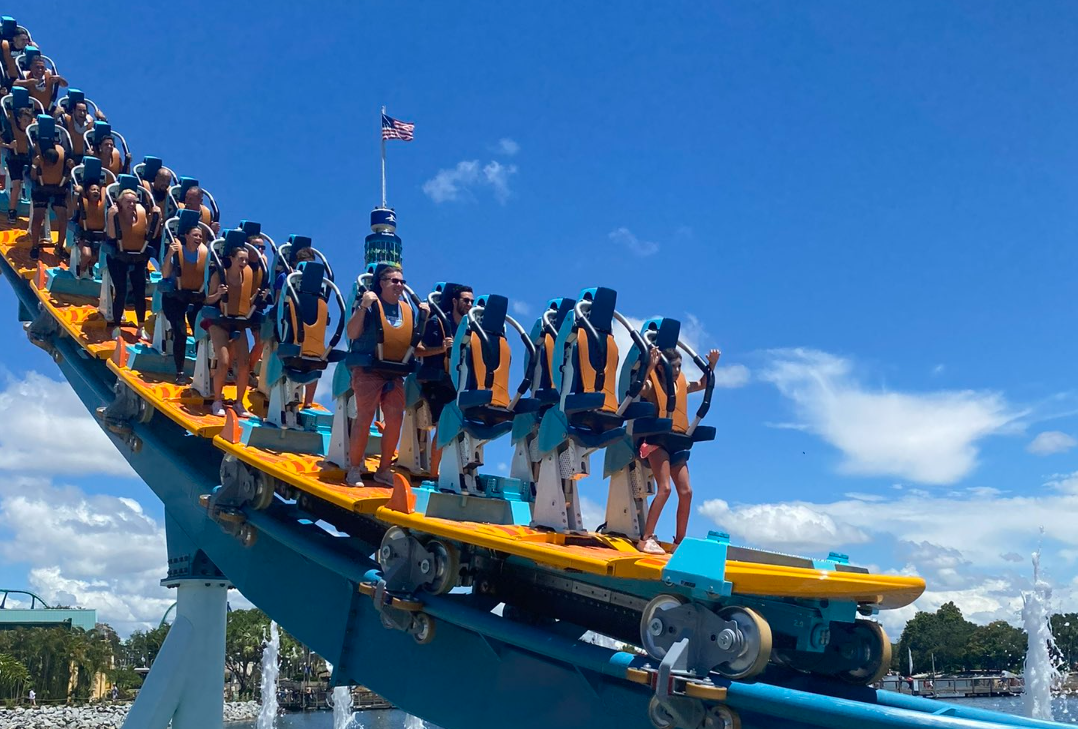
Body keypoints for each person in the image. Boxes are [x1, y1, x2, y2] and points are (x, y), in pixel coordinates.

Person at [344, 263, 429, 486]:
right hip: (369, 369)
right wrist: (363, 306)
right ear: (382, 283)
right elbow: (352, 333)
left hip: (393, 372)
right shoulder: (371, 305)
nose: (399, 285)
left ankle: (383, 469)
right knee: (365, 416)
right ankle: (353, 468)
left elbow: (413, 345)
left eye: (402, 282)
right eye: (395, 281)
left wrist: (425, 321)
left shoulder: (406, 310)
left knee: (395, 419)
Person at [636, 345, 721, 555]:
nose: (677, 370)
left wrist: (711, 365)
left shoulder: (681, 383)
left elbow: (702, 384)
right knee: (665, 489)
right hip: (656, 441)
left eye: (679, 367)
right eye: (673, 367)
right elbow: (639, 389)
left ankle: (679, 542)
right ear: (663, 368)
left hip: (677, 440)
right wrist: (649, 366)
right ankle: (646, 538)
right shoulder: (652, 383)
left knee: (687, 491)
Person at [417, 284, 472, 473]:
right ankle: (434, 473)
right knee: (444, 425)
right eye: (466, 300)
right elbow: (417, 350)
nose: (470, 304)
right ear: (455, 301)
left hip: (458, 384)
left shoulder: (469, 328)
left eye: (472, 301)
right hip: (437, 382)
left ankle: (459, 472)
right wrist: (441, 349)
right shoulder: (438, 323)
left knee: (467, 427)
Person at [203, 239, 261, 417]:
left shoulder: (248, 276)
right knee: (224, 361)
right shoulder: (220, 275)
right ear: (232, 258)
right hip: (219, 321)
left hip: (238, 321)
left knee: (244, 364)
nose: (244, 263)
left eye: (245, 260)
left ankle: (238, 403)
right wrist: (218, 294)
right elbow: (208, 300)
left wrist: (259, 296)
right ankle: (217, 400)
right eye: (240, 259)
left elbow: (246, 301)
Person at [104, 189, 160, 339]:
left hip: (137, 257)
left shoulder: (141, 215)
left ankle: (141, 326)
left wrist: (157, 217)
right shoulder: (115, 215)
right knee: (121, 291)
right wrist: (110, 216)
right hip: (118, 257)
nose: (131, 204)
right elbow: (112, 235)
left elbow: (151, 235)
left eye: (134, 202)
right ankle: (116, 326)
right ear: (120, 203)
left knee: (139, 293)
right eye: (128, 202)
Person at [159, 222, 208, 383]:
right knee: (181, 333)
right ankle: (179, 372)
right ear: (186, 236)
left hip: (193, 298)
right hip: (174, 297)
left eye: (200, 236)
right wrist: (169, 254)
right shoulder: (177, 251)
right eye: (195, 235)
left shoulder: (204, 254)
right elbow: (165, 275)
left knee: (201, 333)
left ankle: (204, 373)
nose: (198, 238)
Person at [28, 135, 73, 259]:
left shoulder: (63, 159)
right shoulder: (37, 157)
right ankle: (35, 247)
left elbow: (68, 178)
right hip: (40, 189)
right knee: (38, 218)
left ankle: (59, 247)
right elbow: (32, 177)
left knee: (63, 219)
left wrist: (70, 169)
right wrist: (34, 165)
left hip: (58, 189)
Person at [2, 105, 33, 223]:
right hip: (15, 158)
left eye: (29, 121)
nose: (26, 123)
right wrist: (8, 145)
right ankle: (12, 211)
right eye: (24, 120)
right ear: (19, 119)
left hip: (27, 158)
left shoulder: (31, 131)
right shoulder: (11, 128)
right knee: (17, 185)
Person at [71, 181, 105, 278]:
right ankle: (81, 269)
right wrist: (77, 193)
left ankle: (90, 267)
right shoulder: (83, 203)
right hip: (84, 234)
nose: (96, 191)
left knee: (95, 258)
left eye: (98, 190)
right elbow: (74, 206)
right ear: (88, 192)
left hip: (98, 236)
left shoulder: (103, 205)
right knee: (87, 255)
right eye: (93, 189)